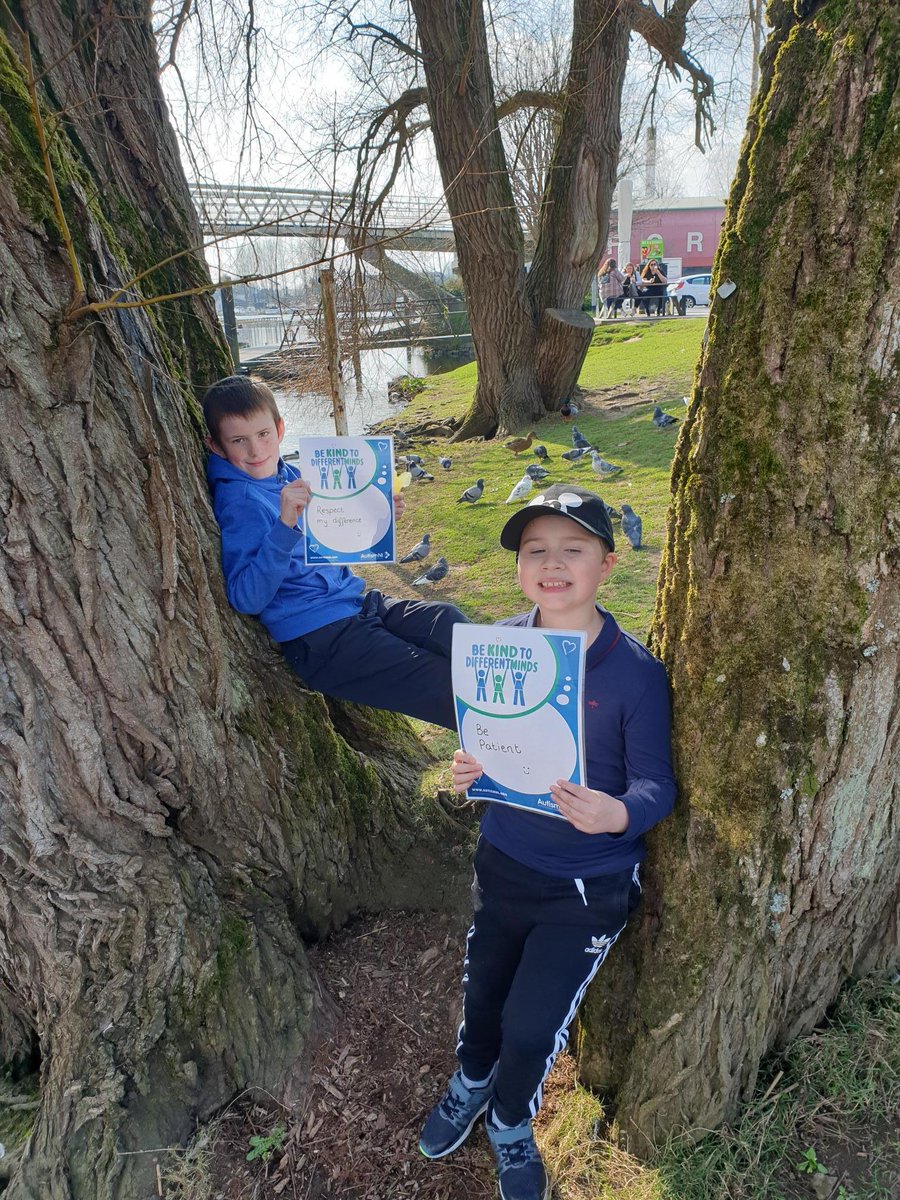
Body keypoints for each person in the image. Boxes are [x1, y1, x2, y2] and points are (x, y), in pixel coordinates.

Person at [418, 484, 675, 1200]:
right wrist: (470, 766)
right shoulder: (499, 648)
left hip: (586, 888)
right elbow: (483, 746)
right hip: (502, 864)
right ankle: (469, 1083)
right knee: (484, 1000)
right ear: (520, 566)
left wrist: (618, 815)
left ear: (607, 564)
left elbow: (657, 785)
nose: (553, 564)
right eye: (537, 551)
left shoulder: (636, 675)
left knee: (531, 1029)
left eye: (574, 550)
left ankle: (508, 1121)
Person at [204, 374, 468, 728]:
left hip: (358, 604)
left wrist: (380, 515)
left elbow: (338, 536)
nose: (256, 450)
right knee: (442, 683)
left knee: (448, 622)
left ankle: (534, 690)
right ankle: (514, 755)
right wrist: (284, 527)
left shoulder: (295, 474)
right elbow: (246, 598)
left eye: (263, 434)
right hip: (321, 637)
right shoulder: (242, 502)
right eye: (239, 441)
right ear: (217, 446)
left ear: (280, 430)